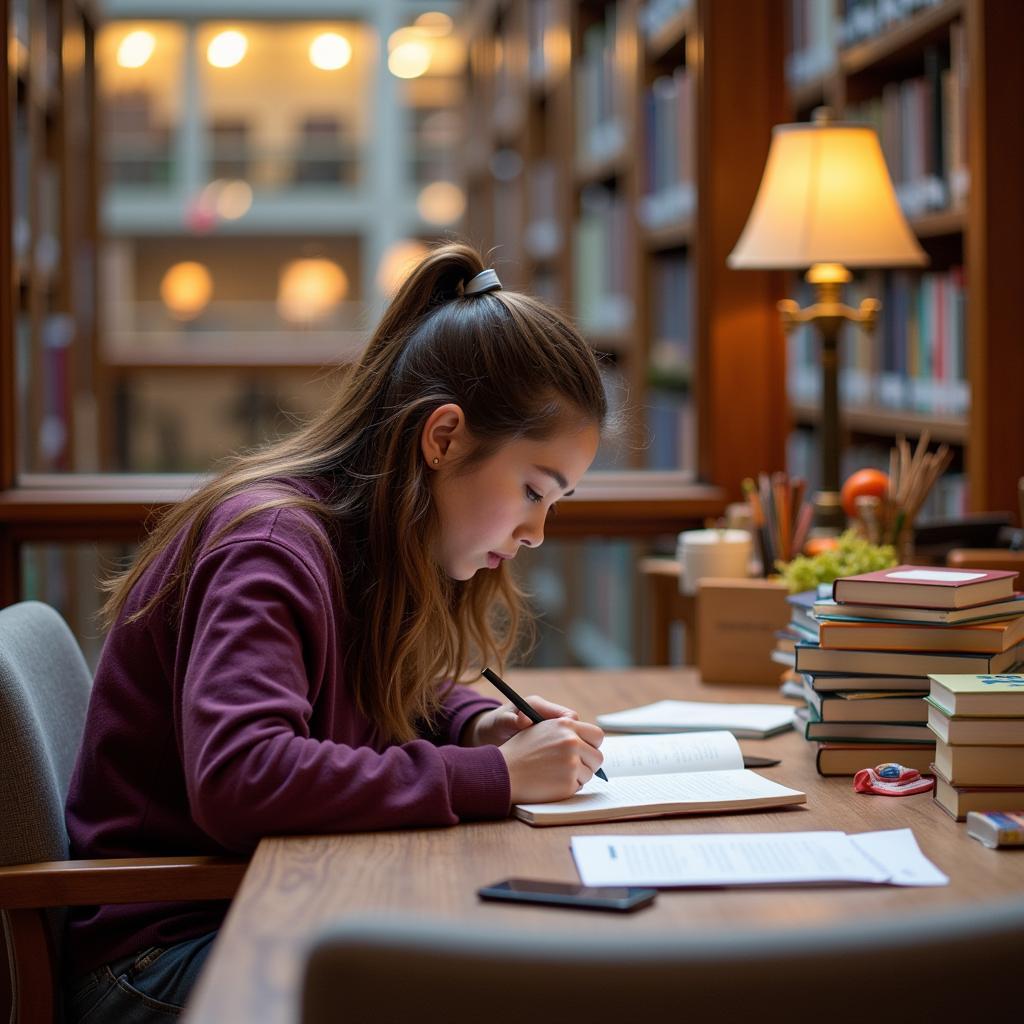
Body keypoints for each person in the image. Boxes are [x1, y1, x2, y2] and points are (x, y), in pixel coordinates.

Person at [63, 242, 609, 1021]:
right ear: (443, 437)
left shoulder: (360, 539)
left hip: (260, 902)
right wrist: (498, 777)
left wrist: (475, 722)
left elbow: (365, 689)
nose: (537, 532)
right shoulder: (272, 547)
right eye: (533, 491)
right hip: (162, 955)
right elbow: (243, 777)